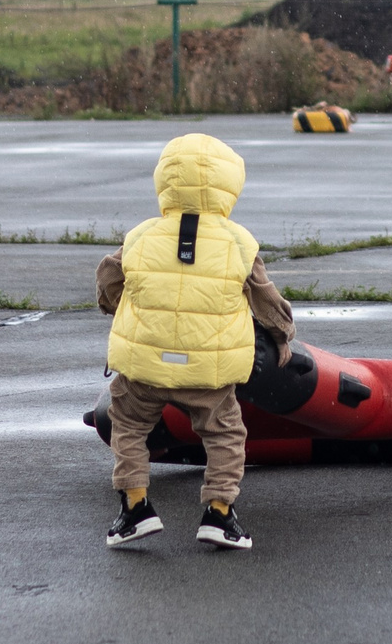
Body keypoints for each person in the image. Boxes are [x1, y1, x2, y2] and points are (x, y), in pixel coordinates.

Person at [96, 132, 296, 552]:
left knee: (129, 424)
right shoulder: (239, 243)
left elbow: (109, 278)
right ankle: (219, 514)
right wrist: (283, 337)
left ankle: (134, 507)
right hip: (209, 372)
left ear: (164, 182)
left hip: (145, 366)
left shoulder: (142, 235)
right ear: (229, 186)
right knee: (224, 434)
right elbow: (267, 302)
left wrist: (116, 306)